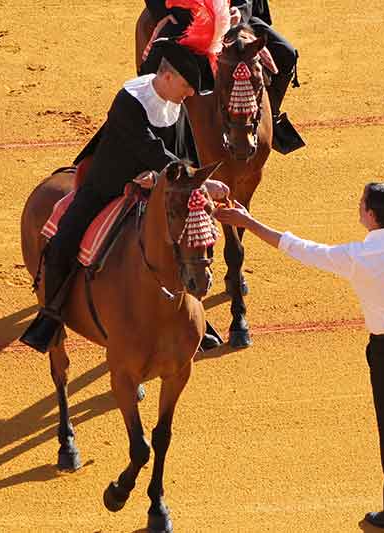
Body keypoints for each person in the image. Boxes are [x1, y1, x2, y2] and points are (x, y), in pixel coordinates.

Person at [214, 183, 384, 531]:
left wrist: (250, 223)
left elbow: (300, 248)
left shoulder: (356, 257)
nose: (358, 207)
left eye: (361, 204)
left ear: (371, 216)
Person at [20, 39, 229, 354]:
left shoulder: (177, 104)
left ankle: (193, 312)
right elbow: (147, 148)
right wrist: (175, 177)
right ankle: (51, 316)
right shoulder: (129, 101)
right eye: (186, 86)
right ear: (167, 77)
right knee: (63, 241)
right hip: (108, 186)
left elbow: (187, 154)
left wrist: (197, 183)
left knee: (191, 241)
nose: (189, 94)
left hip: (160, 188)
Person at [143, 0, 305, 154]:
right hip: (185, 17)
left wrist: (239, 12)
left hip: (232, 19)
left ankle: (271, 117)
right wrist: (161, 13)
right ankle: (153, 131)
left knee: (286, 54)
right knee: (154, 64)